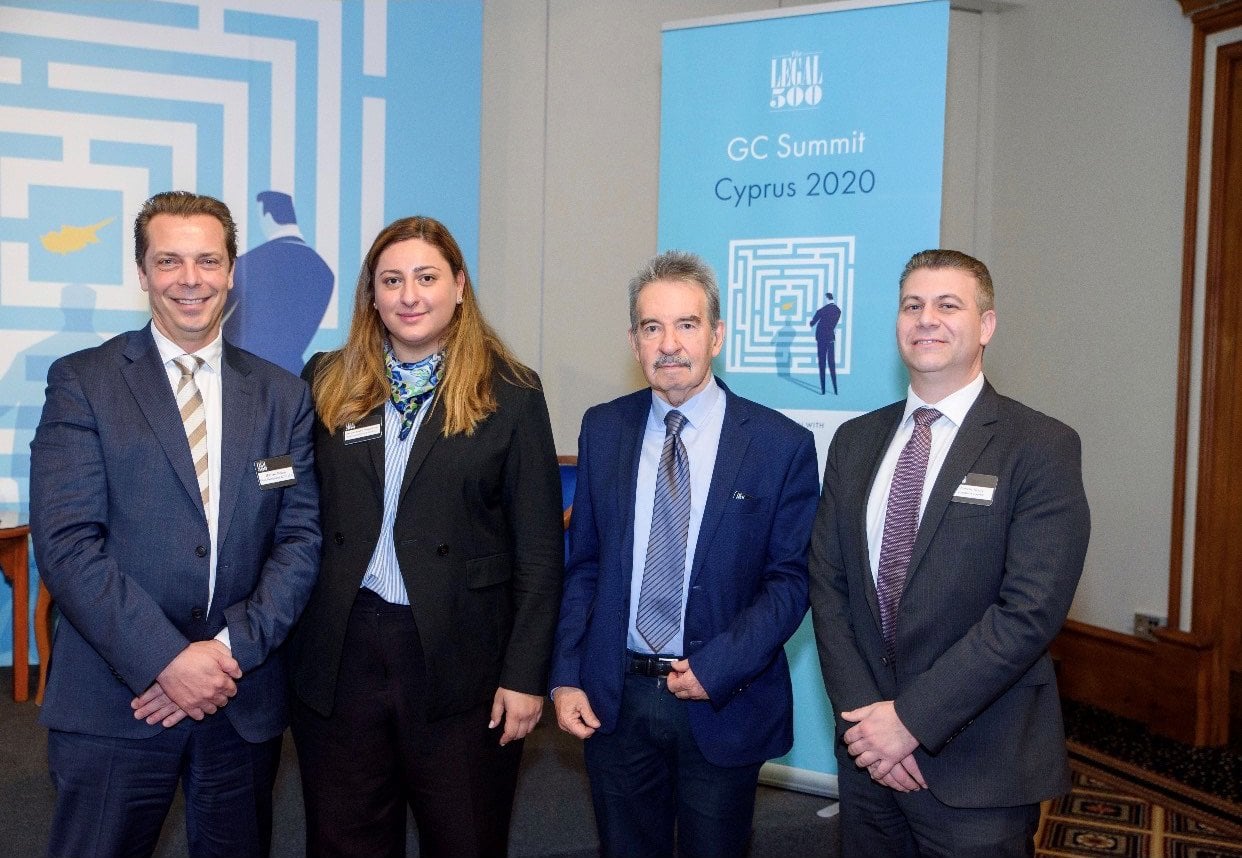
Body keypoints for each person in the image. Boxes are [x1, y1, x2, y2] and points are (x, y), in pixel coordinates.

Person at [29, 190, 321, 857]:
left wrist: (223, 655)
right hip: (115, 699)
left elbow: (299, 540)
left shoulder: (283, 396)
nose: (191, 279)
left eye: (208, 261)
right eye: (169, 261)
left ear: (232, 271)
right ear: (142, 272)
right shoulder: (83, 381)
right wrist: (165, 659)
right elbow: (68, 545)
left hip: (237, 697)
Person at [288, 216, 563, 858]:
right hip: (343, 648)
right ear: (372, 295)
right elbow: (294, 511)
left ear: (459, 286)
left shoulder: (512, 392)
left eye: (426, 277)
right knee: (344, 838)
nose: (409, 295)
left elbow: (540, 553)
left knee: (464, 836)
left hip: (461, 654)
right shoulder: (325, 377)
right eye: (391, 281)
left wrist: (525, 675)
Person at [809, 249, 1090, 858]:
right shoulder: (855, 442)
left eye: (947, 305)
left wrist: (909, 722)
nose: (926, 319)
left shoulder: (1040, 446)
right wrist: (868, 724)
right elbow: (829, 587)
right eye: (912, 305)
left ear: (986, 326)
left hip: (978, 767)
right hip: (867, 760)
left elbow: (1029, 612)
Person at [550, 250, 819, 858]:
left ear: (716, 335)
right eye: (652, 327)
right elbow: (585, 563)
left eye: (686, 325)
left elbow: (790, 581)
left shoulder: (779, 444)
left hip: (722, 698)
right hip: (615, 697)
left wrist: (718, 667)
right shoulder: (604, 429)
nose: (669, 344)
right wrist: (566, 673)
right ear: (634, 341)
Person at [223, 190, 334, 374]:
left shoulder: (250, 263)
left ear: (267, 216)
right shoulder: (325, 271)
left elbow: (216, 316)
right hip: (294, 372)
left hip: (242, 372)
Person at [810, 291, 842, 394]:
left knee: (822, 363)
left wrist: (810, 321)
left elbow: (812, 323)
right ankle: (835, 389)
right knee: (832, 363)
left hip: (821, 338)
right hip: (830, 338)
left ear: (827, 299)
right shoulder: (838, 310)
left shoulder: (822, 310)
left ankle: (823, 390)